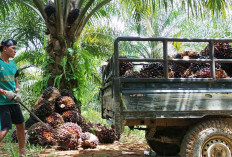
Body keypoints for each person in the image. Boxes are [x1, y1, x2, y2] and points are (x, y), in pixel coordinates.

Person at [0, 39, 26, 156]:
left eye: (16, 48)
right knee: (4, 129)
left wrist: (17, 90)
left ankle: (22, 152)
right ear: (5, 48)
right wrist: (4, 92)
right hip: (2, 102)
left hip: (14, 101)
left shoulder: (13, 64)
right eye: (13, 48)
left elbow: (15, 79)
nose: (15, 51)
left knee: (21, 125)